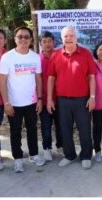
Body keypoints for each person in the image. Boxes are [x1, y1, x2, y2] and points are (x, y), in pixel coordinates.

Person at [46, 26, 96, 170]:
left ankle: (86, 156)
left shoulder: (86, 54)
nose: (68, 39)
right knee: (65, 129)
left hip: (82, 99)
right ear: (62, 39)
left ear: (76, 37)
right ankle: (69, 155)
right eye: (66, 36)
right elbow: (51, 78)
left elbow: (92, 76)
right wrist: (49, 99)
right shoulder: (56, 55)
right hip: (63, 100)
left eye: (71, 36)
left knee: (84, 128)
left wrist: (92, 97)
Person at [0, 26, 43, 173]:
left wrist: (40, 99)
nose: (23, 39)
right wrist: (6, 102)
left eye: (26, 37)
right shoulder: (7, 57)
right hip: (13, 103)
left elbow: (38, 78)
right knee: (15, 131)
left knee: (32, 129)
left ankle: (34, 154)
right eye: (20, 37)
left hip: (31, 102)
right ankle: (17, 158)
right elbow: (2, 81)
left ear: (31, 40)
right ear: (15, 39)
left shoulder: (35, 57)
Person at [38, 31, 62, 160]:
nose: (47, 44)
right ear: (40, 44)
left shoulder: (60, 56)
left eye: (50, 41)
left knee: (61, 125)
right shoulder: (37, 59)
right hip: (44, 99)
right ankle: (47, 148)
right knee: (46, 125)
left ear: (54, 42)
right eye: (44, 41)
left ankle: (60, 146)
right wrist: (39, 99)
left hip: (59, 99)